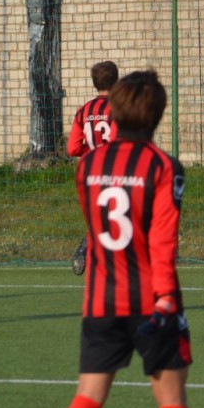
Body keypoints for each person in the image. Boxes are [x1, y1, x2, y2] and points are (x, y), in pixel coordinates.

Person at [67, 70, 191, 408]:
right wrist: (166, 299)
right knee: (172, 400)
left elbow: (96, 228)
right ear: (158, 114)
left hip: (101, 297)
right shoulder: (164, 166)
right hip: (151, 296)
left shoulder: (88, 165)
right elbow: (162, 241)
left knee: (88, 397)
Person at [67, 61, 119, 276]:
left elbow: (72, 148)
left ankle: (90, 251)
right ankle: (88, 248)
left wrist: (90, 149)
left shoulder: (84, 111)